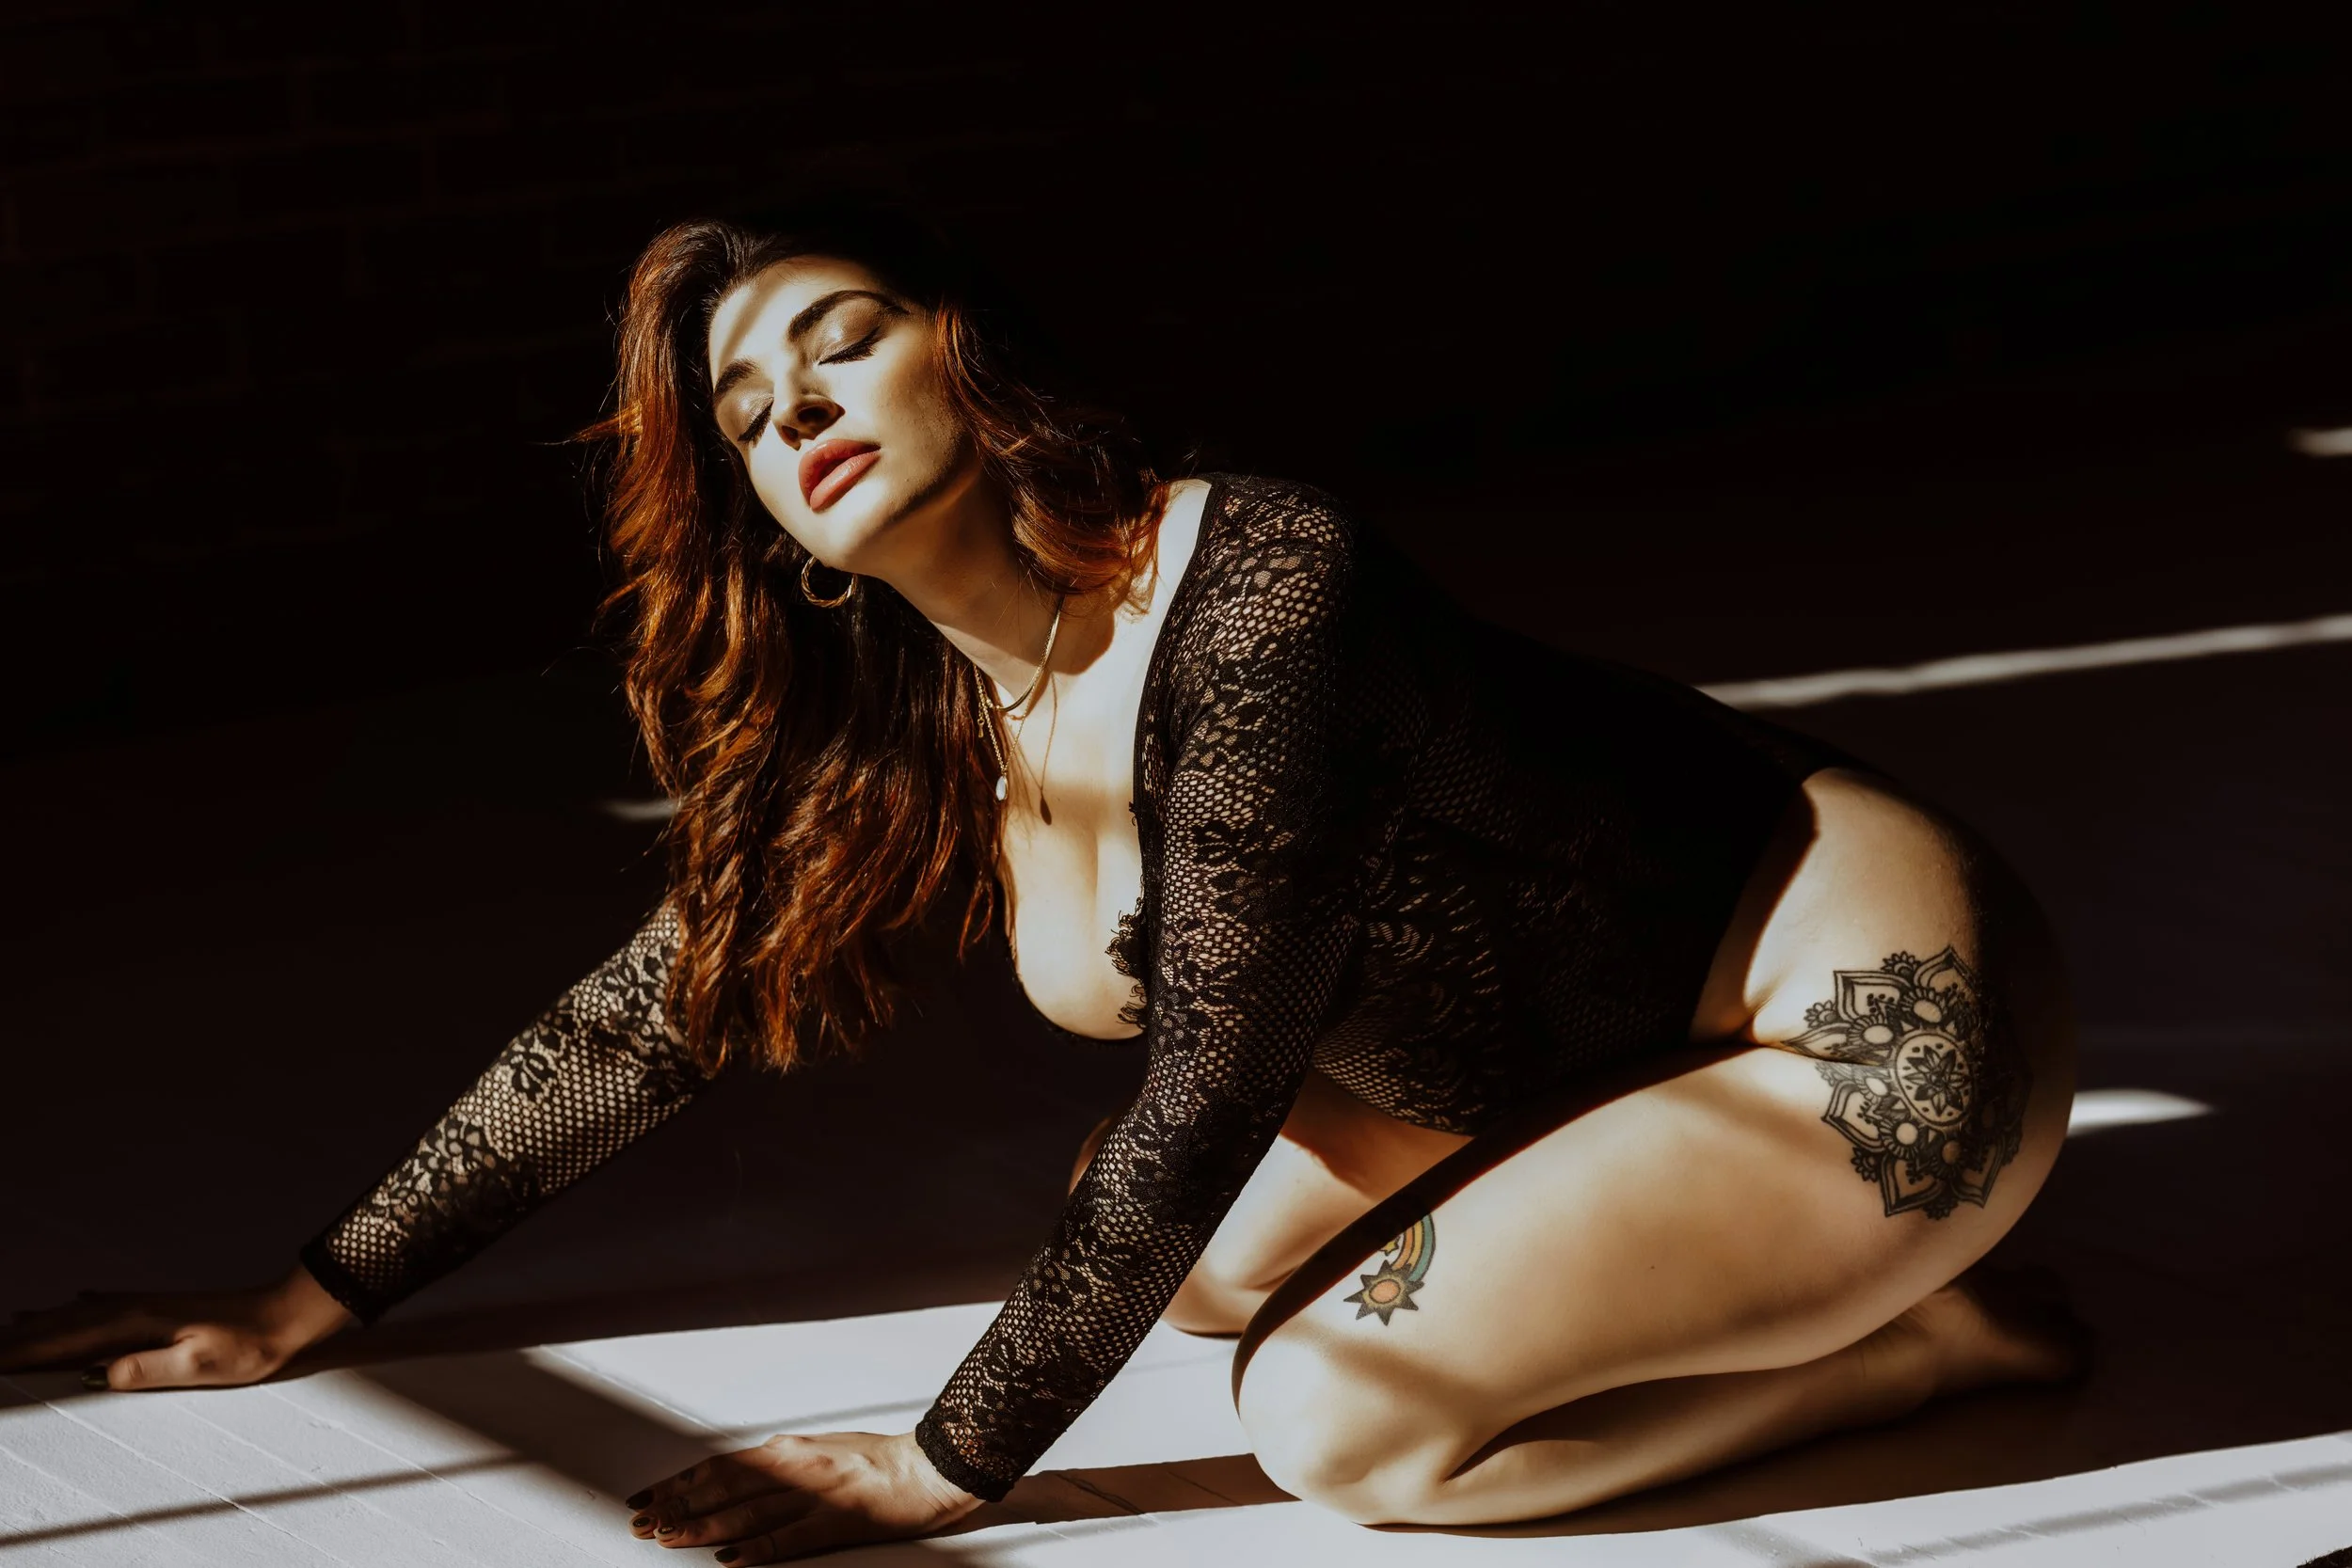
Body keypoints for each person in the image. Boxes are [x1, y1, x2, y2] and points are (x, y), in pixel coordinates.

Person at [0, 206, 2083, 1563]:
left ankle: (1923, 1341)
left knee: (1342, 1424)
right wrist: (309, 1295)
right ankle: (1754, 1257)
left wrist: (946, 1458)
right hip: (1572, 1056)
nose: (799, 406)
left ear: (966, 352)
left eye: (841, 339)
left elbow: (1220, 1066)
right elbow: (651, 1014)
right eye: (750, 411)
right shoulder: (913, 725)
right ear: (766, 512)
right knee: (1184, 1259)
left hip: (1864, 1012)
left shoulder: (1260, 581)